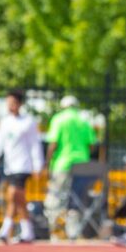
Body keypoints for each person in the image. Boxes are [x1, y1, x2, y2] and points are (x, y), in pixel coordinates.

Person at [0, 89, 44, 243]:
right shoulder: (5, 122)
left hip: (24, 165)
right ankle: (27, 231)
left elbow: (35, 145)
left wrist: (38, 165)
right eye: (8, 103)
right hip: (10, 165)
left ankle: (6, 229)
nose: (10, 106)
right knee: (17, 199)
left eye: (13, 103)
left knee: (12, 194)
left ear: (20, 104)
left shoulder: (28, 122)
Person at [43, 95, 97, 239]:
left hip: (62, 163)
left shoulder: (59, 119)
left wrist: (47, 162)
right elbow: (92, 145)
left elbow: (53, 143)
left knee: (56, 196)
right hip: (81, 164)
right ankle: (73, 232)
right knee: (76, 198)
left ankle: (54, 230)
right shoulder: (84, 120)